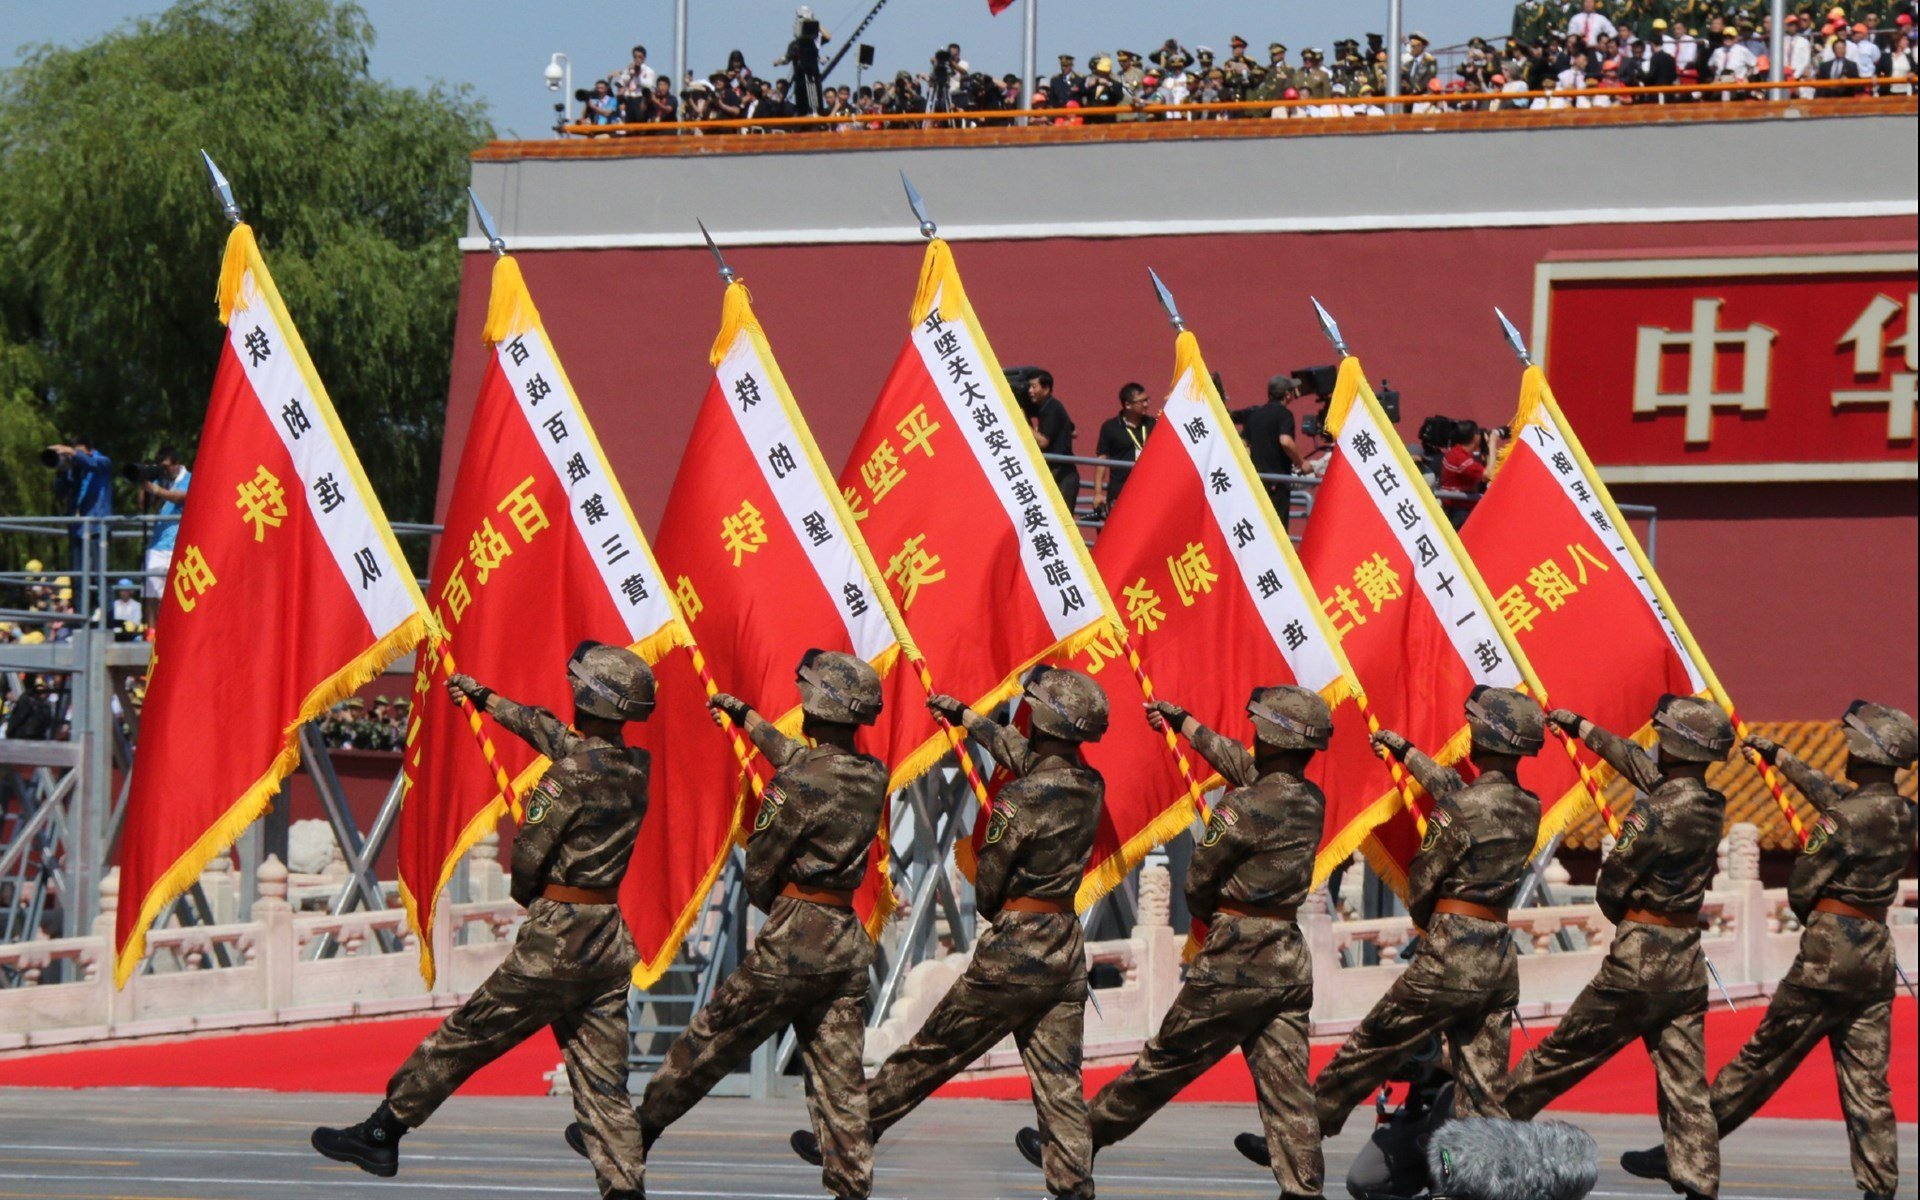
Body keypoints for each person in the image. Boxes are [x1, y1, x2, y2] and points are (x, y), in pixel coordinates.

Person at [311, 642, 656, 1200]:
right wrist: (489, 701)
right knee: (603, 1082)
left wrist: (529, 896)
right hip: (607, 939)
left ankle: (383, 1130)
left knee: (467, 1035)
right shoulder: (634, 766)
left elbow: (528, 855)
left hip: (558, 939)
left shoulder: (567, 777)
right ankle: (624, 1190)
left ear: (589, 697)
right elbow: (557, 737)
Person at [576, 650, 889, 1200]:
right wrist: (748, 719)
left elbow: (762, 863)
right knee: (839, 1083)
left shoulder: (794, 785)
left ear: (816, 705)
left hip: (795, 938)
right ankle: (852, 1188)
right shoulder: (870, 774)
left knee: (710, 1041)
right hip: (845, 941)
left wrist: (783, 906)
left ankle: (637, 1132)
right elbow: (801, 763)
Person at [790, 667, 1109, 1200]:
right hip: (1064, 950)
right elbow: (1024, 755)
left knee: (930, 1053)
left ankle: (845, 1138)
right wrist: (967, 720)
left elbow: (987, 887)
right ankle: (1074, 1187)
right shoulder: (1089, 785)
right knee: (1060, 1084)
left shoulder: (1019, 799)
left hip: (1014, 953)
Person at [1621, 703, 1916, 1200]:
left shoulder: (1843, 818)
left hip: (1828, 958)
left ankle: (1684, 1151)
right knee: (1868, 1081)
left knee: (1759, 1063)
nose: (1846, 748)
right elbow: (1837, 798)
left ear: (1867, 750)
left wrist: (1820, 921)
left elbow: (1803, 883)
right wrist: (1780, 757)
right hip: (1875, 958)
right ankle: (1879, 1187)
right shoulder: (1904, 814)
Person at [1082, 687, 1332, 1199]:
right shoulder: (1310, 799)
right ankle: (1304, 1188)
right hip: (1287, 955)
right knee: (1288, 1086)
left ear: (1269, 736)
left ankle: (1076, 1139)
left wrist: (1204, 920)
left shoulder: (1242, 806)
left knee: (1167, 1060)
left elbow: (1198, 880)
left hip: (1236, 958)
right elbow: (1246, 767)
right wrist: (1187, 724)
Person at [1501, 695, 1734, 1200]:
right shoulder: (1709, 805)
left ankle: (1484, 1125)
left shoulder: (1654, 810)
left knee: (1563, 1053)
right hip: (1687, 958)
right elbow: (1641, 764)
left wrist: (1620, 912)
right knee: (1684, 1077)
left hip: (1639, 960)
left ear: (1670, 744)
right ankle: (1697, 1177)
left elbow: (1613, 882)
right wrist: (1585, 728)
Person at [1299, 688, 1545, 1149]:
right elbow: (1462, 796)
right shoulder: (1528, 807)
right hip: (1498, 959)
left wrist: (1433, 922)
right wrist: (1407, 753)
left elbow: (1423, 880)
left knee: (1374, 1042)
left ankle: (1304, 1128)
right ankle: (1482, 1178)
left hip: (1451, 955)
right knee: (1483, 1087)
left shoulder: (1460, 809)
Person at [1232, 375, 1309, 528]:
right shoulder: (1284, 415)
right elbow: (1285, 441)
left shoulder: (1254, 416)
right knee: (1278, 529)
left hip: (1257, 483)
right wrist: (1302, 462)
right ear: (1287, 394)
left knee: (1260, 527)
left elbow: (1244, 445)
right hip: (1277, 483)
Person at [47, 438, 112, 573]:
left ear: (91, 450)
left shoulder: (103, 461)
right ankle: (78, 595)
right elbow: (61, 493)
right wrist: (62, 471)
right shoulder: (74, 471)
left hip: (97, 527)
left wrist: (73, 452)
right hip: (77, 527)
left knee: (101, 574)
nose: (77, 456)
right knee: (77, 574)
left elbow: (92, 464)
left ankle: (104, 595)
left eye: (80, 452)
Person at [1090, 382, 1155, 516]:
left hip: (1148, 489)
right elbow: (1102, 460)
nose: (1146, 404)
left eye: (1147, 400)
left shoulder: (1153, 424)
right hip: (1120, 490)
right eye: (1141, 401)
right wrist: (1097, 493)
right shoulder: (1110, 427)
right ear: (1128, 405)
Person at [141, 447, 190, 619]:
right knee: (151, 590)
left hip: (179, 543)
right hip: (157, 543)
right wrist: (144, 483)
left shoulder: (189, 478)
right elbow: (143, 506)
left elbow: (179, 497)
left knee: (176, 590)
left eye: (167, 466)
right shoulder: (162, 481)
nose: (165, 470)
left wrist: (154, 489)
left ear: (177, 464)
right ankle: (152, 633)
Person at [1022, 370, 1081, 508]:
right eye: (1029, 387)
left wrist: (1022, 422)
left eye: (1034, 387)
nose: (1030, 391)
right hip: (1058, 472)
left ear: (1046, 389)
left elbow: (1043, 442)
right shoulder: (1048, 407)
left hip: (1062, 475)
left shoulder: (1052, 408)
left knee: (1061, 521)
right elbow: (1074, 431)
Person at [775, 6, 830, 117]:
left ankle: (815, 115)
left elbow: (827, 36)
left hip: (811, 76)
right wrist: (778, 61)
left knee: (814, 105)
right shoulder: (795, 44)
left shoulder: (813, 42)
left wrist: (814, 22)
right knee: (801, 104)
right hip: (799, 77)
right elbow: (787, 58)